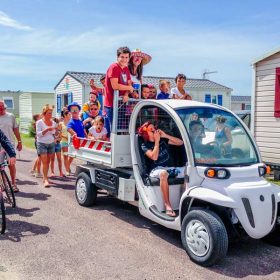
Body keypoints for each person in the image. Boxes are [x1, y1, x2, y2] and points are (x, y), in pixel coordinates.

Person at [139, 122, 184, 217]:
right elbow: (154, 157)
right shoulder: (145, 145)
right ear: (146, 133)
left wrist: (166, 135)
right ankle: (167, 205)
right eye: (151, 130)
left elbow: (180, 143)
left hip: (169, 168)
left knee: (189, 170)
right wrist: (156, 142)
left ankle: (185, 202)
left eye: (154, 129)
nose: (154, 131)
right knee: (163, 173)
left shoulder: (163, 140)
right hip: (155, 170)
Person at [104, 46, 134, 137]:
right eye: (122, 57)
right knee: (114, 129)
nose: (124, 59)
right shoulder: (114, 67)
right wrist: (128, 89)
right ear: (117, 57)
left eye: (126, 57)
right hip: (111, 104)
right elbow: (115, 86)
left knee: (122, 128)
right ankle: (113, 150)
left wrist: (126, 94)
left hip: (121, 102)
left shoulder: (126, 69)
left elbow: (129, 85)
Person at [0, 100, 22, 192]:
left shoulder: (10, 116)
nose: (1, 110)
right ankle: (3, 184)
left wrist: (19, 141)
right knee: (1, 166)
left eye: (3, 108)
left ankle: (13, 184)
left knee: (11, 164)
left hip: (9, 144)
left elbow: (15, 129)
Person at [36, 104, 57, 188]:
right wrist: (47, 129)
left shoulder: (54, 122)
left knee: (48, 162)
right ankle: (45, 179)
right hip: (42, 143)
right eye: (49, 113)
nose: (50, 115)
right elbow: (38, 134)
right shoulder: (39, 122)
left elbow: (54, 134)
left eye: (51, 113)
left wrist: (57, 131)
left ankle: (45, 177)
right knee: (44, 162)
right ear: (44, 113)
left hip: (51, 143)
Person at [60, 109, 72, 176]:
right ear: (65, 115)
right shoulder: (61, 124)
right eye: (69, 114)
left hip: (71, 143)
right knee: (65, 156)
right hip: (64, 142)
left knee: (72, 156)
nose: (70, 115)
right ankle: (67, 170)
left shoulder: (71, 123)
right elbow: (58, 133)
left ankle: (68, 165)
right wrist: (65, 137)